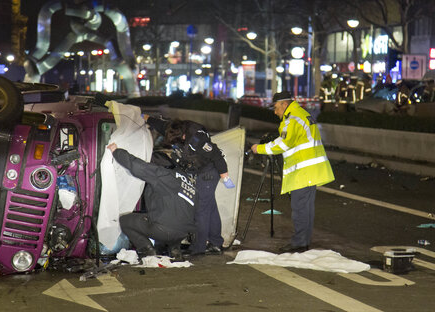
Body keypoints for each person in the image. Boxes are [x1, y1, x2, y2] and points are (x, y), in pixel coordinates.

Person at [250, 91, 335, 253]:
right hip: (311, 170)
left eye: (276, 108)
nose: (275, 112)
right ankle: (303, 241)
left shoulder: (292, 118)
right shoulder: (302, 114)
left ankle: (299, 243)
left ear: (284, 104)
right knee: (306, 208)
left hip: (302, 171)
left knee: (300, 209)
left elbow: (283, 143)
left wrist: (259, 149)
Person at [144, 115, 232, 256]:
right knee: (210, 207)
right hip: (200, 171)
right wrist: (146, 118)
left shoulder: (197, 139)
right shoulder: (172, 128)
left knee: (200, 209)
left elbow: (216, 155)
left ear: (183, 137)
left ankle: (199, 247)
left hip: (209, 172)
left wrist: (225, 176)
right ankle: (216, 243)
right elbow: (159, 124)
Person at [108, 143, 197, 262]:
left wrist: (116, 152)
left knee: (125, 221)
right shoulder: (186, 181)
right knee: (172, 220)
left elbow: (137, 166)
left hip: (164, 230)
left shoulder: (162, 175)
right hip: (183, 233)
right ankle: (175, 250)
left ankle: (147, 251)